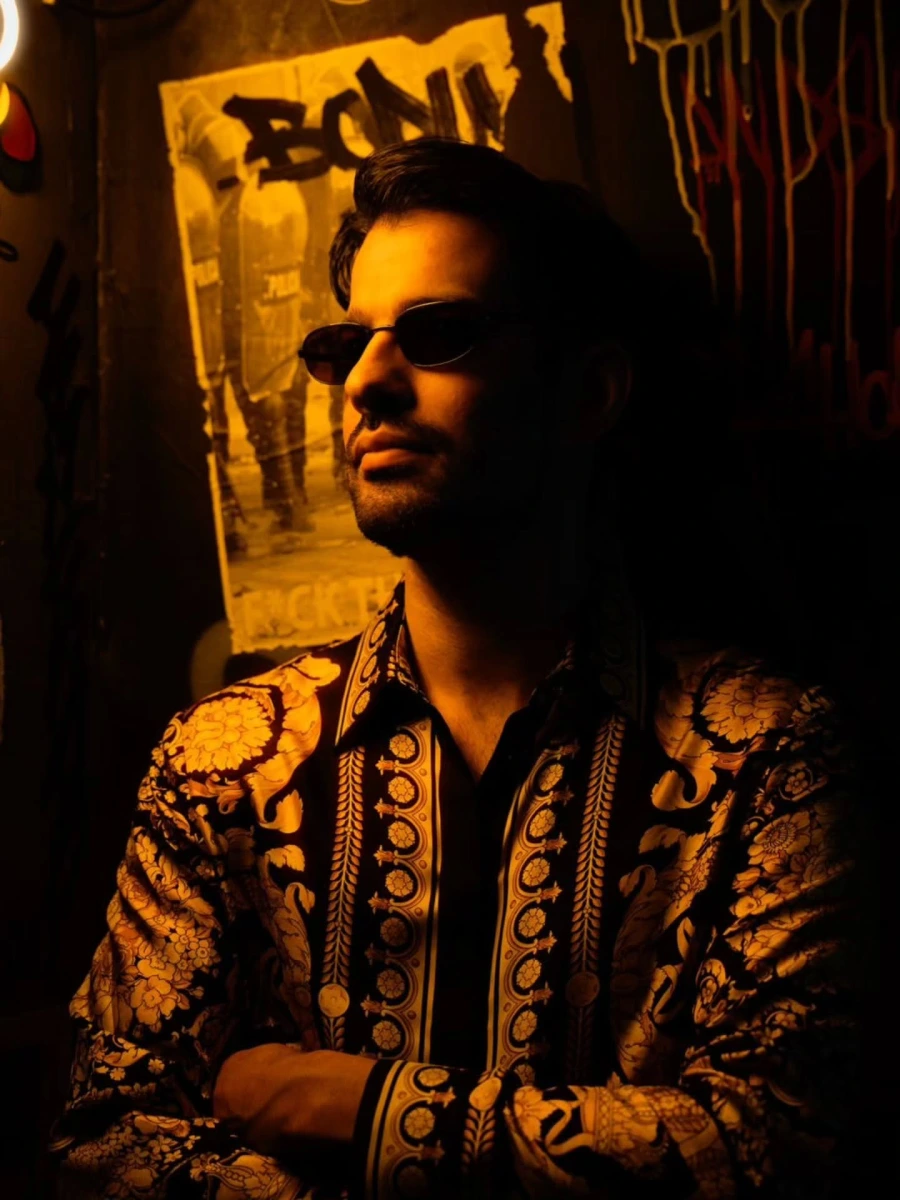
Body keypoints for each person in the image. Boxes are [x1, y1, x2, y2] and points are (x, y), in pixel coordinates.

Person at [51, 138, 860, 1199]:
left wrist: (359, 1109)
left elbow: (780, 1146)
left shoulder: (763, 756)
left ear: (589, 393)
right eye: (347, 346)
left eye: (440, 335)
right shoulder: (224, 763)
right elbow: (104, 1145)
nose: (367, 383)